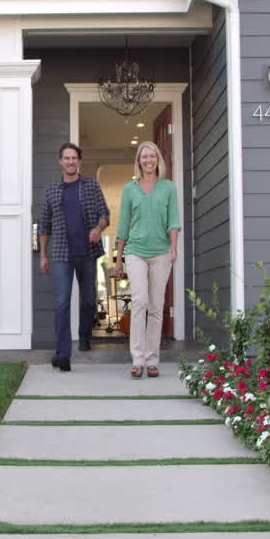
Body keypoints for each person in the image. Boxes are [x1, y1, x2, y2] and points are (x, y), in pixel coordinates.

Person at [39, 142, 109, 372]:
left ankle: (85, 335)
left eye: (74, 158)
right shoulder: (51, 190)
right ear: (60, 161)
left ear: (79, 161)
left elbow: (104, 214)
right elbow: (45, 225)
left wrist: (98, 229)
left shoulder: (90, 185)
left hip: (87, 253)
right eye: (66, 158)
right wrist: (43, 256)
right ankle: (62, 353)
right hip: (60, 253)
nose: (70, 162)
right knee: (61, 302)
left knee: (89, 300)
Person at [113, 141, 180, 380]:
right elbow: (123, 225)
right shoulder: (130, 189)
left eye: (152, 156)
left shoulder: (168, 188)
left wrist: (173, 248)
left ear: (158, 159)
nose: (148, 160)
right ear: (139, 161)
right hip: (135, 251)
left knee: (156, 306)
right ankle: (137, 359)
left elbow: (173, 220)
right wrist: (119, 258)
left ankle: (152, 360)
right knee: (140, 300)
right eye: (144, 157)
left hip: (161, 252)